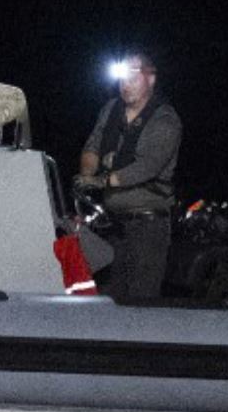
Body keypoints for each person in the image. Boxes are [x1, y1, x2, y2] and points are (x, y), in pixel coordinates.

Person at [74, 51, 181, 301]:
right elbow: (93, 145)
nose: (126, 85)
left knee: (140, 301)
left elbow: (148, 167)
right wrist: (86, 176)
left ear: (151, 79)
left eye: (133, 77)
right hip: (113, 224)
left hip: (147, 227)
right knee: (108, 297)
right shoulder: (111, 109)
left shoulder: (165, 119)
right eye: (121, 78)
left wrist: (102, 181)